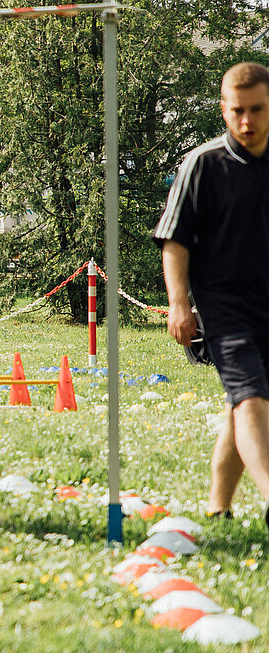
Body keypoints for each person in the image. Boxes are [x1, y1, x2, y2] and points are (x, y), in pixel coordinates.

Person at [154, 61, 269, 521]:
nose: (247, 121)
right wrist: (179, 303)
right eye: (237, 110)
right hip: (224, 306)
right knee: (251, 399)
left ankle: (217, 510)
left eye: (257, 110)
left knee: (243, 409)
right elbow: (174, 239)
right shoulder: (202, 164)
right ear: (223, 109)